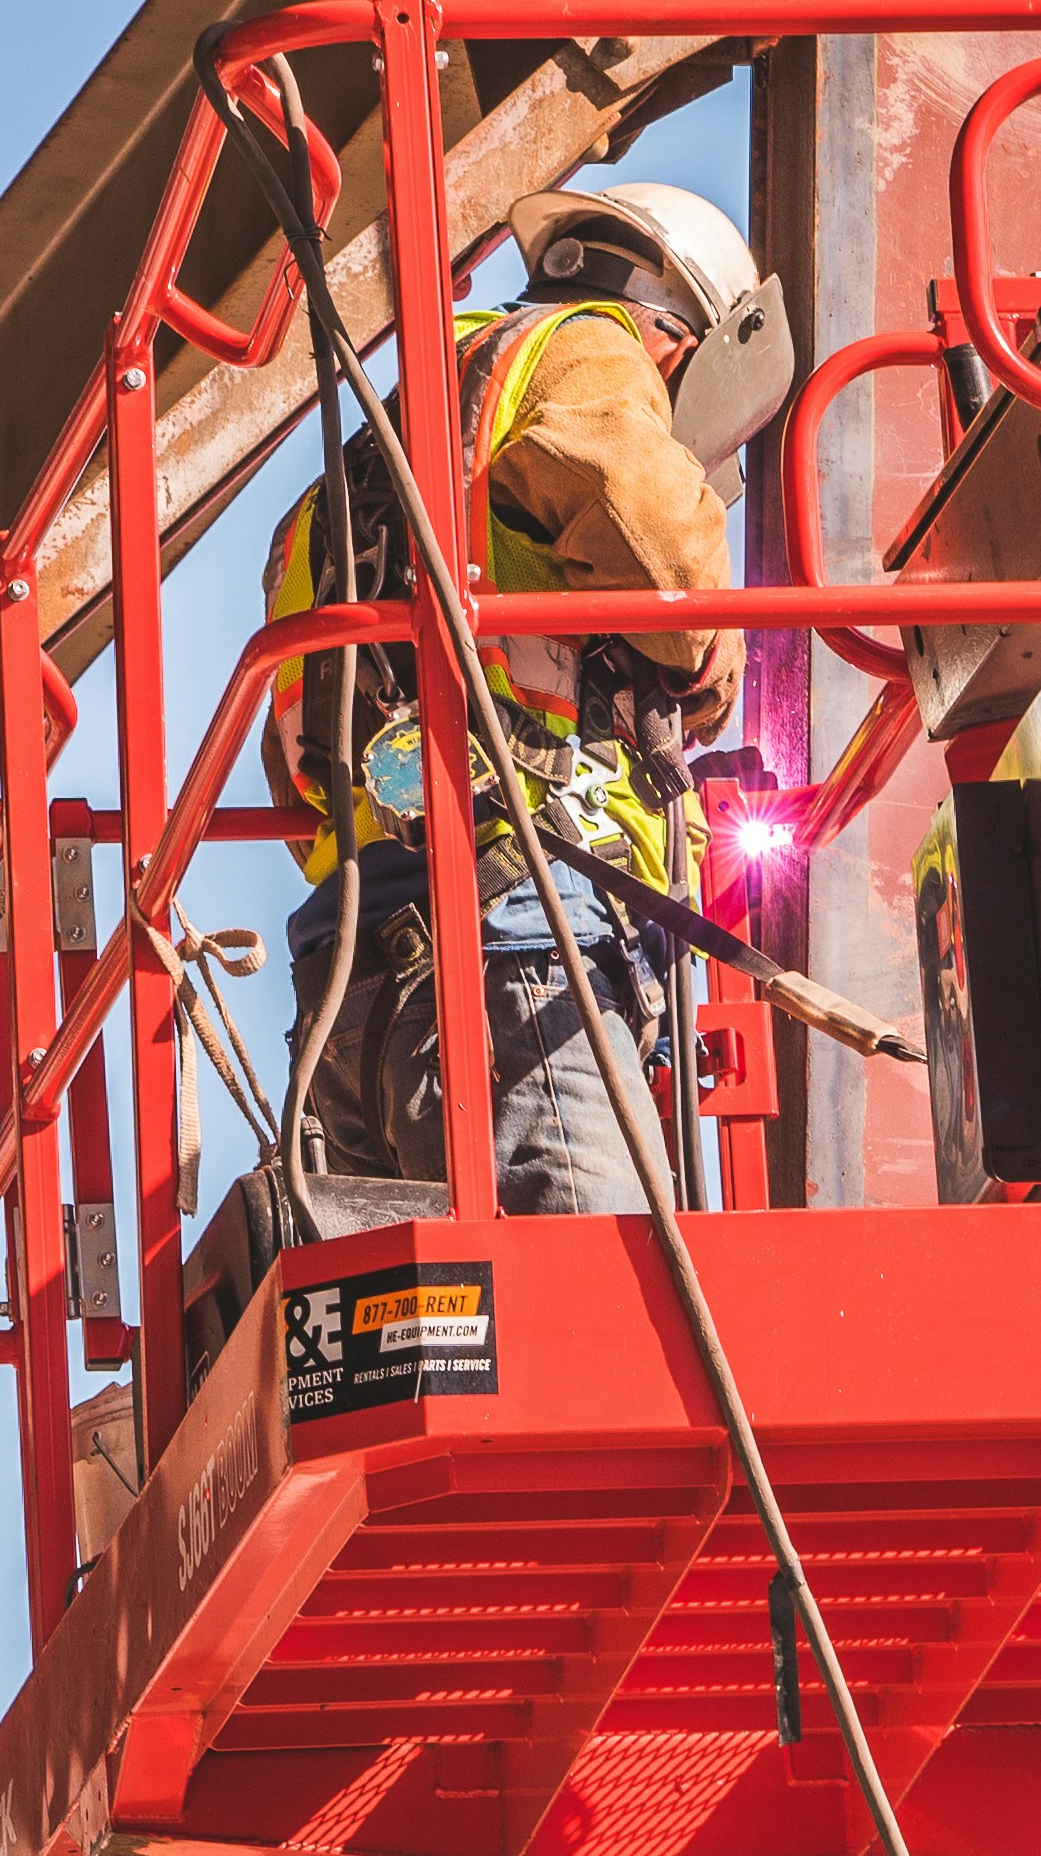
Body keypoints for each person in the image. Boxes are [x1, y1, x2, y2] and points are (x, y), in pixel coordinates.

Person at [260, 181, 793, 1215]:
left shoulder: (379, 447)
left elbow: (297, 765)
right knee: (606, 1338)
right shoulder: (589, 348)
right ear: (685, 343)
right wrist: (708, 674)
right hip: (517, 956)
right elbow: (660, 551)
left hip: (351, 980)